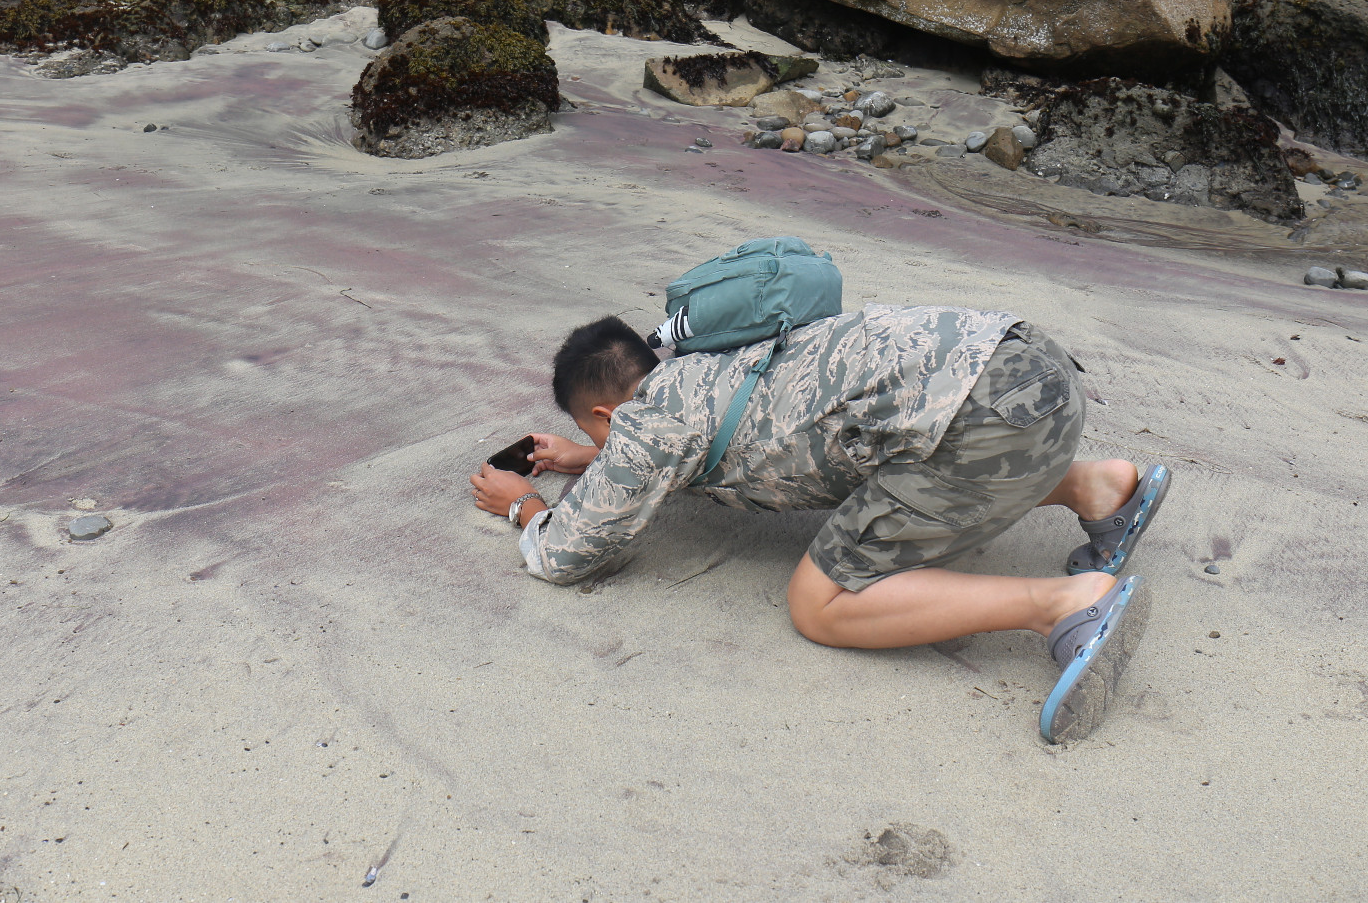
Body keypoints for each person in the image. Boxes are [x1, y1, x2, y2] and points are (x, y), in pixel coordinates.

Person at [468, 305, 1172, 742]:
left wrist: (522, 503)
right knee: (894, 442)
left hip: (985, 430)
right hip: (1034, 370)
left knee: (819, 600)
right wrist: (596, 454)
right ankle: (1099, 487)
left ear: (603, 414)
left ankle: (1065, 607)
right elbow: (678, 448)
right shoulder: (716, 358)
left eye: (604, 435)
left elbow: (564, 555)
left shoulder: (647, 429)